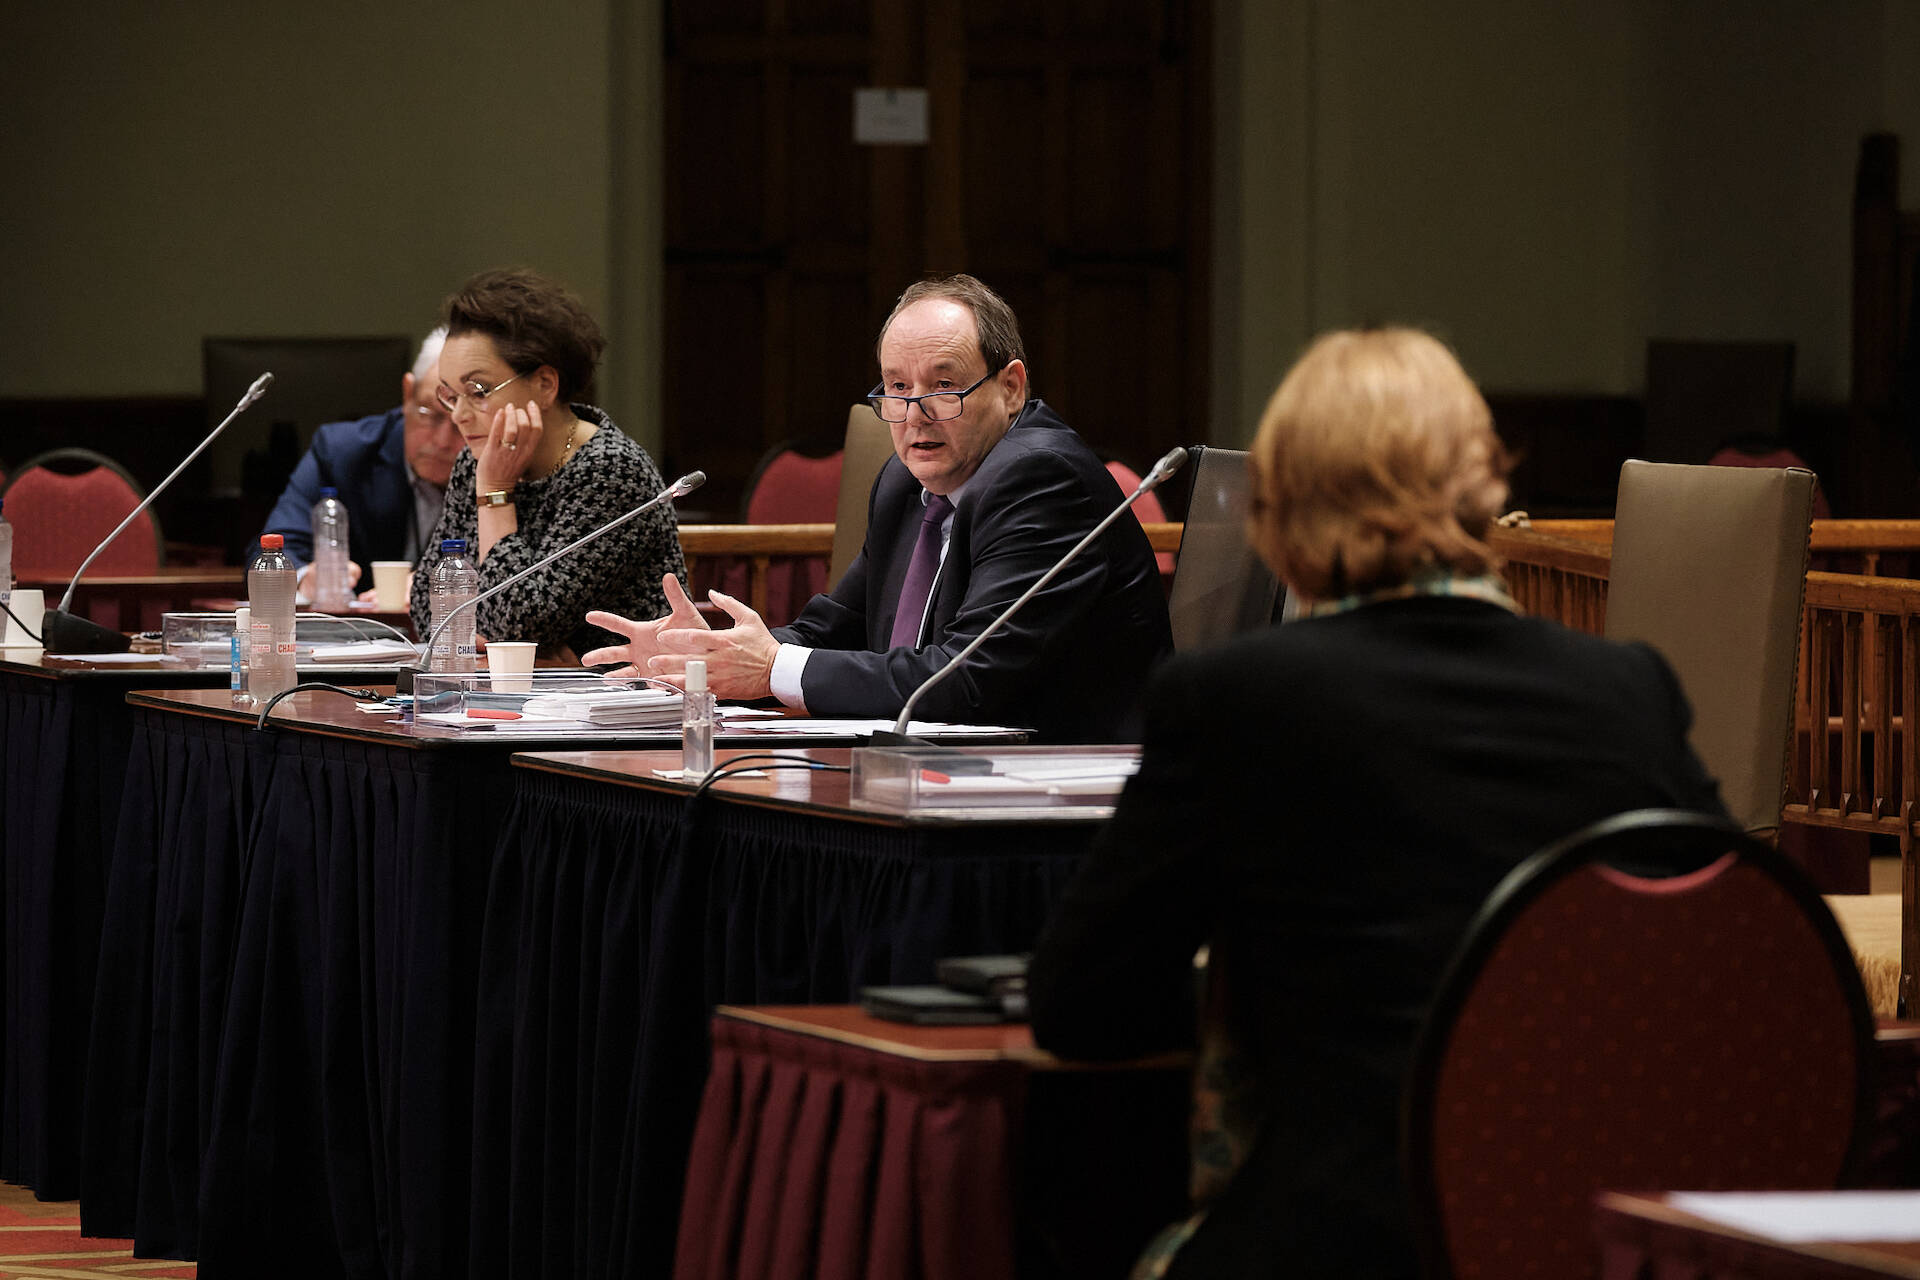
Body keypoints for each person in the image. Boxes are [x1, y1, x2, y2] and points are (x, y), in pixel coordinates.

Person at [1025, 328, 1728, 1277]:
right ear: (1482, 485)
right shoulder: (1629, 691)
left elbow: (1080, 1001)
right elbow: (1728, 962)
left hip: (1343, 1238)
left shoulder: (1237, 698)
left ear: (1281, 507)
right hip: (1602, 1233)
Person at [583, 274, 1171, 742]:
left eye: (944, 386)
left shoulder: (1042, 479)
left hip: (1066, 787)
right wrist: (706, 656)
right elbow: (834, 626)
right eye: (897, 387)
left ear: (1011, 387)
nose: (915, 413)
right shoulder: (903, 482)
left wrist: (770, 668)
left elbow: (963, 677)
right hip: (941, 772)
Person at [407, 268, 684, 661]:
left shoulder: (611, 472)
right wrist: (521, 645)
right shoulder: (477, 462)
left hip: (619, 693)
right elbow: (430, 606)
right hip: (515, 688)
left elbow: (521, 623)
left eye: (478, 391)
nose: (459, 415)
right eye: (451, 395)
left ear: (544, 385)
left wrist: (495, 494)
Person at [258, 328, 462, 599]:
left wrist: (436, 586)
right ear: (407, 393)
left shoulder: (502, 467)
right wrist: (306, 578)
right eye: (429, 414)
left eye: (461, 423)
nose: (443, 441)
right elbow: (273, 551)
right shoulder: (341, 453)